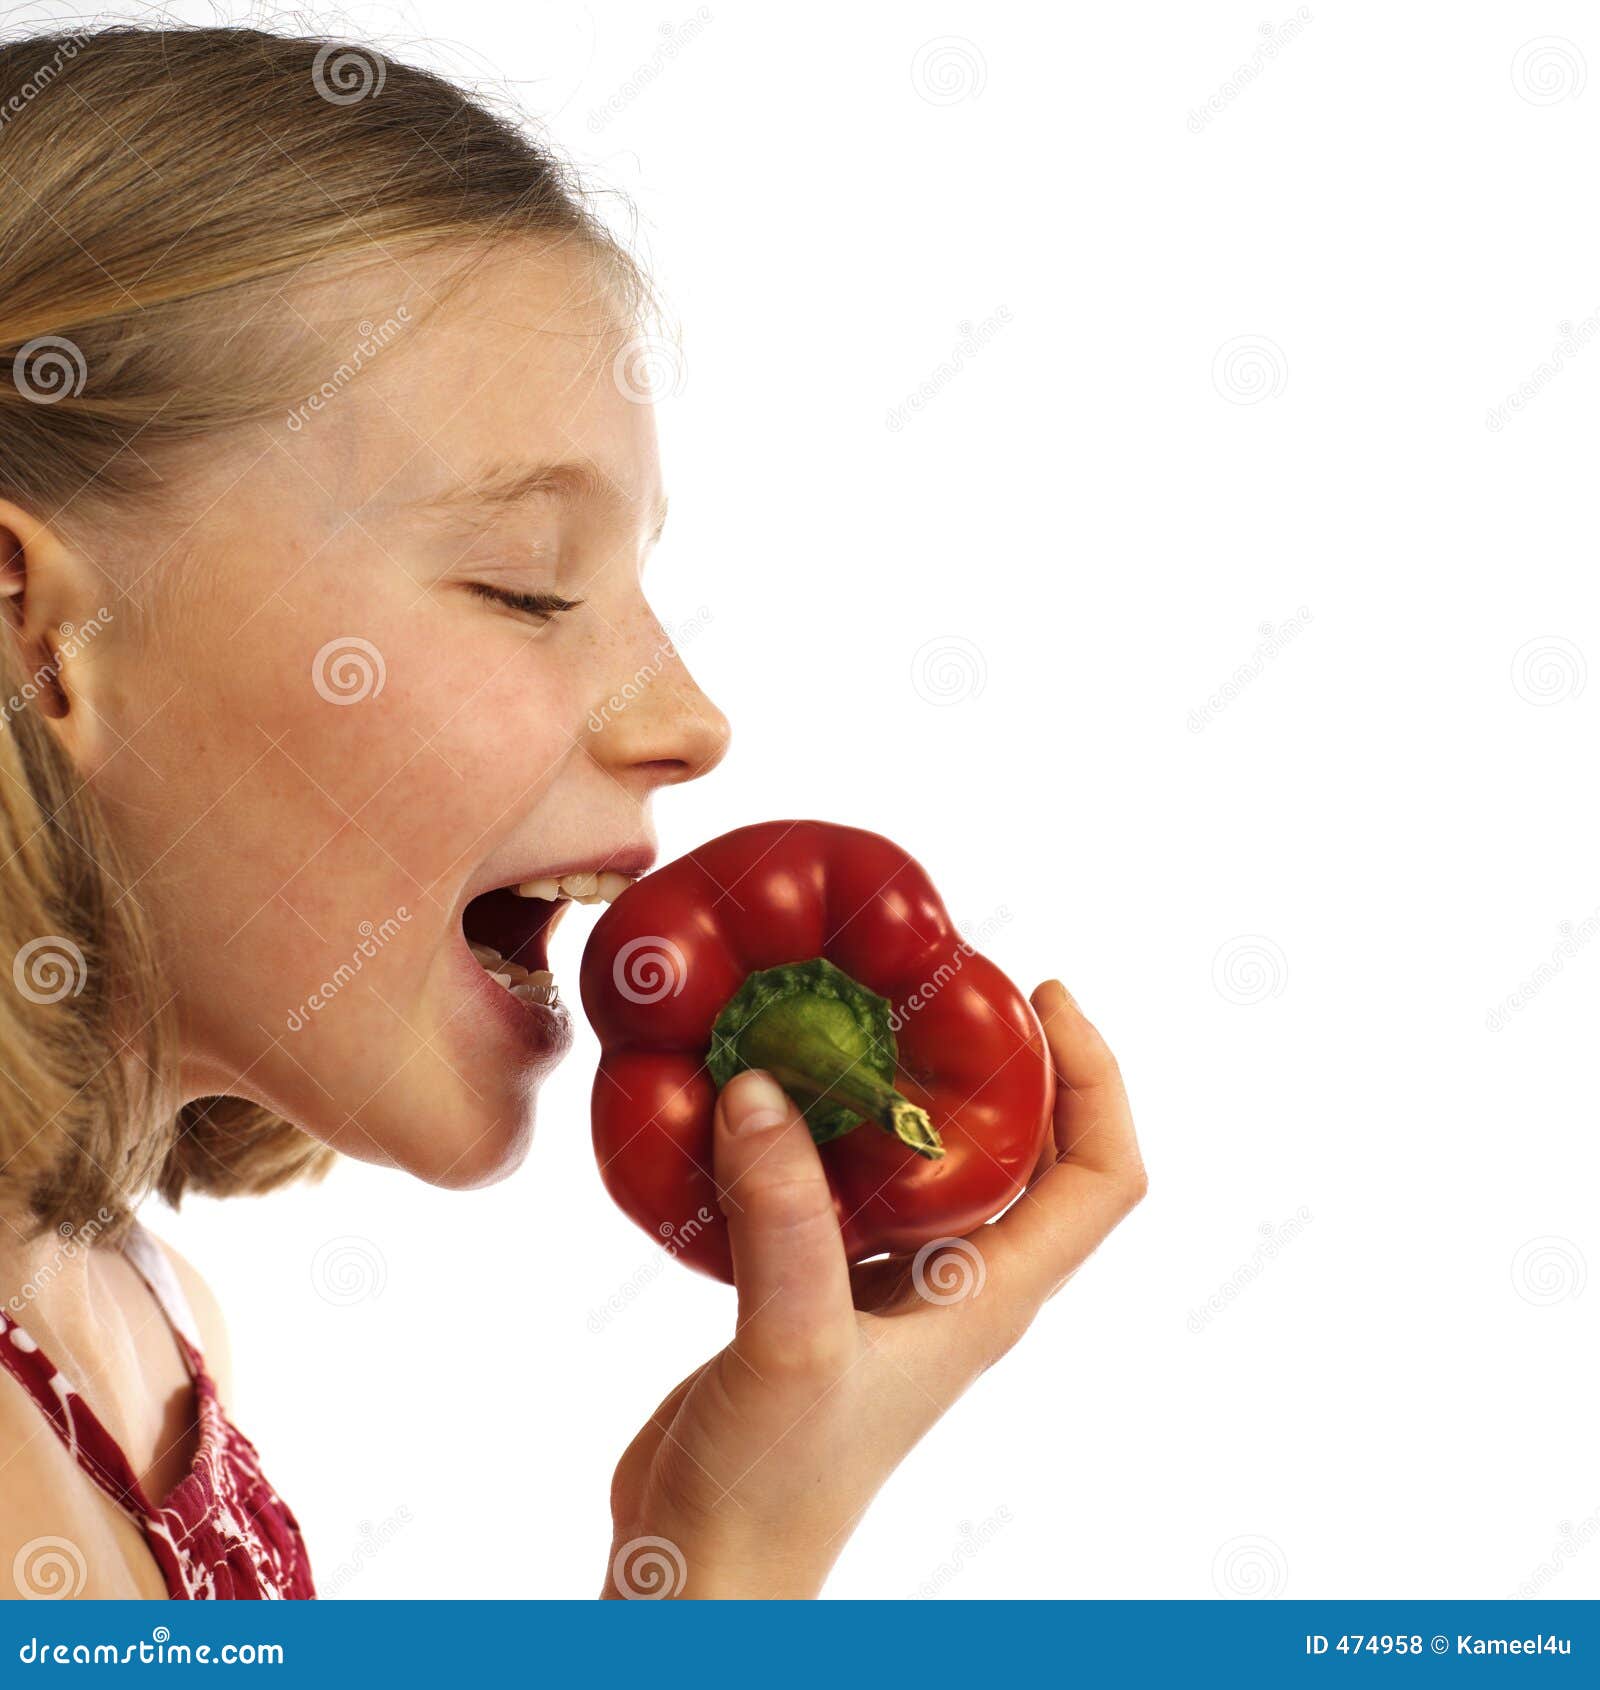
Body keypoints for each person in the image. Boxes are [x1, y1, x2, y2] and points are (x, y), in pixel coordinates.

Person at [0, 25, 1146, 1600]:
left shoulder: (144, 1326)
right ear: (33, 630)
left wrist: (713, 1537)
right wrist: (734, 1565)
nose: (690, 719)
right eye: (528, 585)